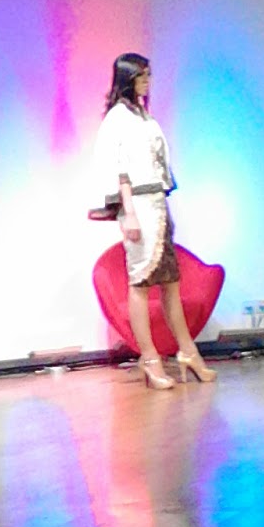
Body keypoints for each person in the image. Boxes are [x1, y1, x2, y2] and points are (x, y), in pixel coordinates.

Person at [92, 53, 216, 390]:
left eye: (148, 75)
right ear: (128, 79)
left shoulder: (143, 116)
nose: (148, 81)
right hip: (140, 205)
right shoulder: (118, 119)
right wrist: (128, 211)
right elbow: (118, 169)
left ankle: (188, 352)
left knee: (171, 282)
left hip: (158, 204)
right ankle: (149, 358)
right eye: (142, 76)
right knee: (141, 282)